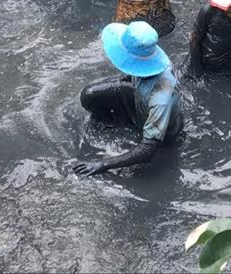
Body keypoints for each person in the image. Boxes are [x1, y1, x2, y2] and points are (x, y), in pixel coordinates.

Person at [73, 21, 183, 177]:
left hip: (159, 134)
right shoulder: (146, 53)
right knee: (90, 95)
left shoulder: (162, 97)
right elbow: (129, 75)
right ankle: (111, 123)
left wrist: (103, 164)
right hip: (140, 100)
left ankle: (121, 127)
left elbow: (148, 150)